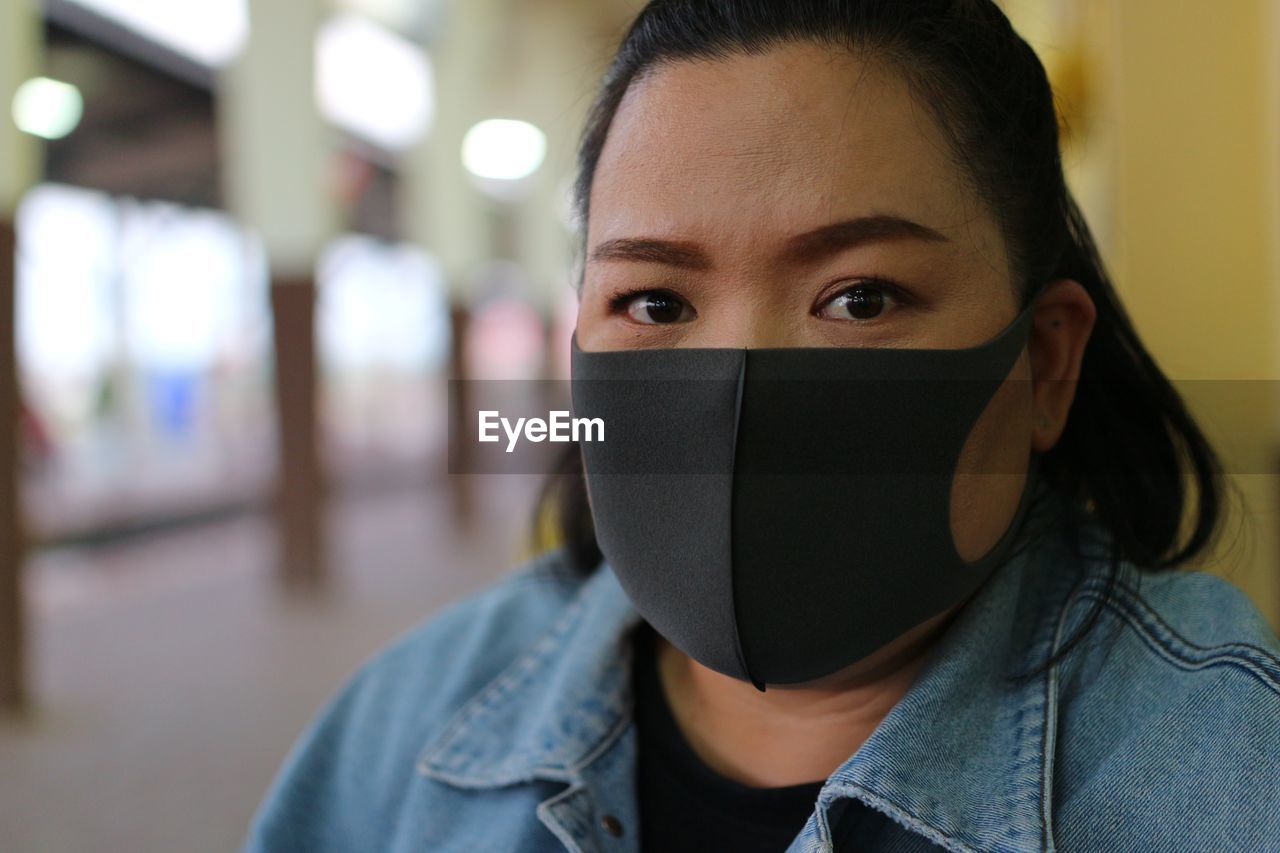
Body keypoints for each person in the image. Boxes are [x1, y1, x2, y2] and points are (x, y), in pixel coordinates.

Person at [244, 2, 1280, 851]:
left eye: (860, 297)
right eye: (653, 303)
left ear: (1044, 362)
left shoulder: (1230, 774)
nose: (732, 393)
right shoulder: (402, 729)